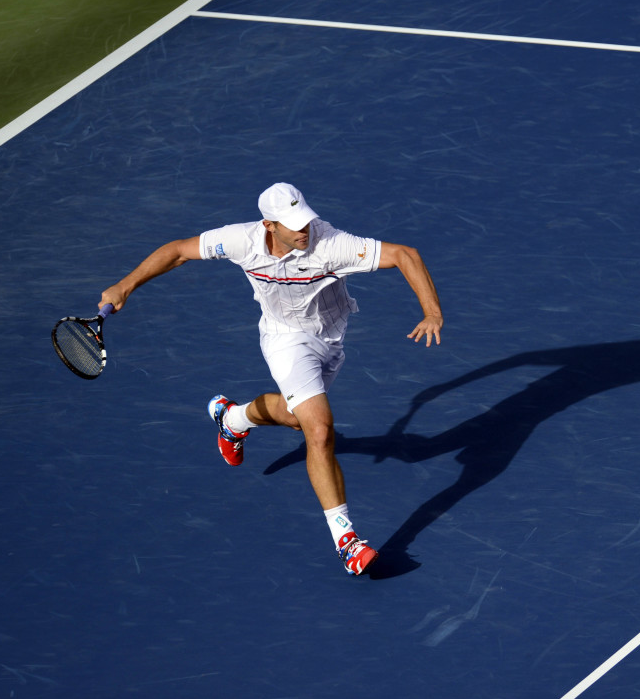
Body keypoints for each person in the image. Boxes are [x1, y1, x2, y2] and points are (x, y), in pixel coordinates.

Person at [99, 182, 443, 576]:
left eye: (306, 220)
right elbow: (178, 251)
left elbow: (405, 254)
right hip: (284, 341)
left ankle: (233, 419)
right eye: (293, 225)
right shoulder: (241, 241)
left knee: (297, 418)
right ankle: (346, 540)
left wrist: (431, 311)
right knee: (319, 431)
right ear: (268, 225)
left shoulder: (330, 244)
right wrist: (126, 284)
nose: (304, 231)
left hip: (329, 339)